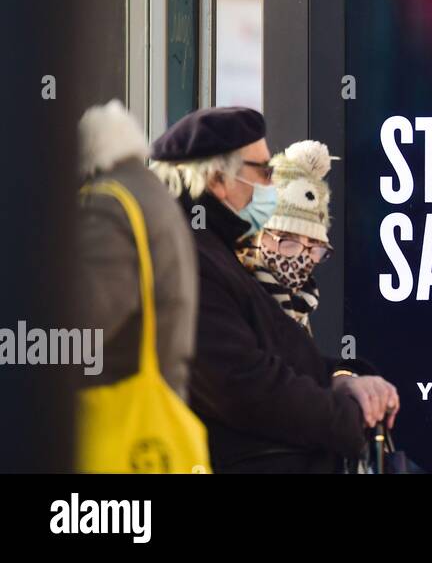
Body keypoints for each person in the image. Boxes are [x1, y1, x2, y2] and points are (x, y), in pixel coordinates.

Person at [150, 107, 399, 472]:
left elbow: (280, 359)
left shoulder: (217, 250)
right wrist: (347, 417)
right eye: (264, 172)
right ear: (218, 179)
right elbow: (242, 385)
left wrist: (343, 379)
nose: (271, 184)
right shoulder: (190, 259)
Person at [76, 100, 197, 398]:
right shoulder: (146, 193)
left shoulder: (108, 204)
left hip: (114, 407)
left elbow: (83, 321)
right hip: (148, 400)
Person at [238, 140, 336, 333]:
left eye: (313, 246)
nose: (302, 258)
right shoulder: (234, 301)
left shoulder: (300, 307)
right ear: (257, 236)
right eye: (289, 240)